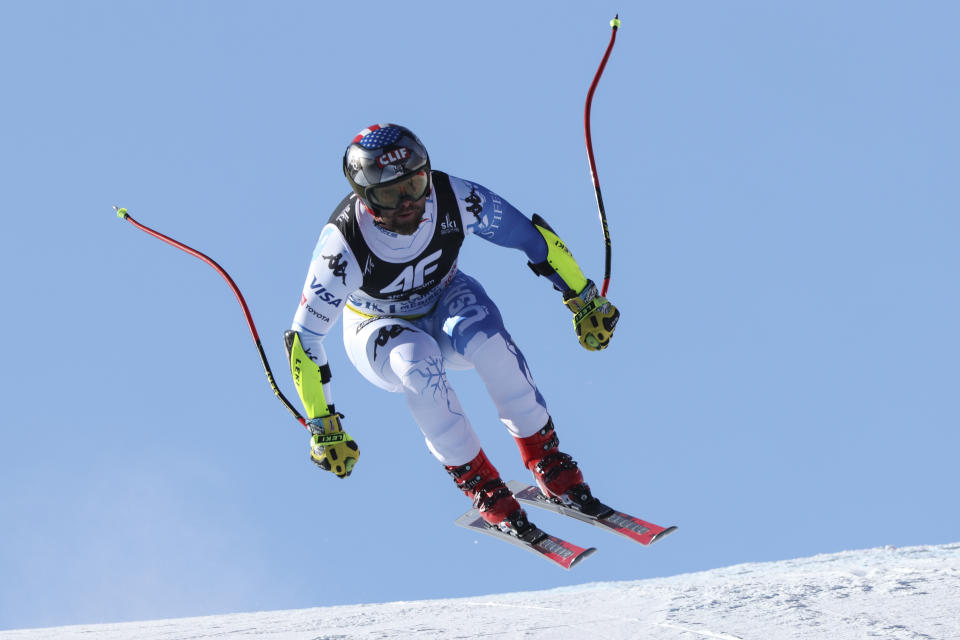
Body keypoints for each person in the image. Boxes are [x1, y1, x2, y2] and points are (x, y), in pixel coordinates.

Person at [286, 123, 620, 536]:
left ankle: (545, 458)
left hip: (445, 299)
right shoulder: (344, 244)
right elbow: (305, 338)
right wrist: (323, 425)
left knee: (487, 338)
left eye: (415, 183)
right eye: (390, 195)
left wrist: (583, 296)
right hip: (376, 326)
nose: (408, 203)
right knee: (417, 364)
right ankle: (481, 483)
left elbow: (533, 240)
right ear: (365, 198)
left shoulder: (454, 197)